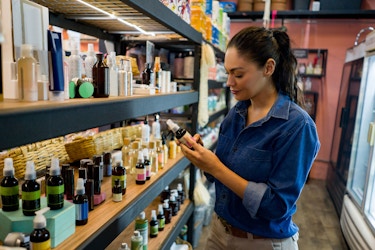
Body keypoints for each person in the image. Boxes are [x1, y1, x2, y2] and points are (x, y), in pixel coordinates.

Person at [179, 26, 320, 250]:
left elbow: (276, 205)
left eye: (239, 74)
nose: (229, 82)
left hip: (261, 242)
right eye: (228, 73)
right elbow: (224, 174)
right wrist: (204, 157)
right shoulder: (238, 113)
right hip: (219, 232)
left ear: (268, 68)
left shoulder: (297, 126)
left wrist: (215, 167)